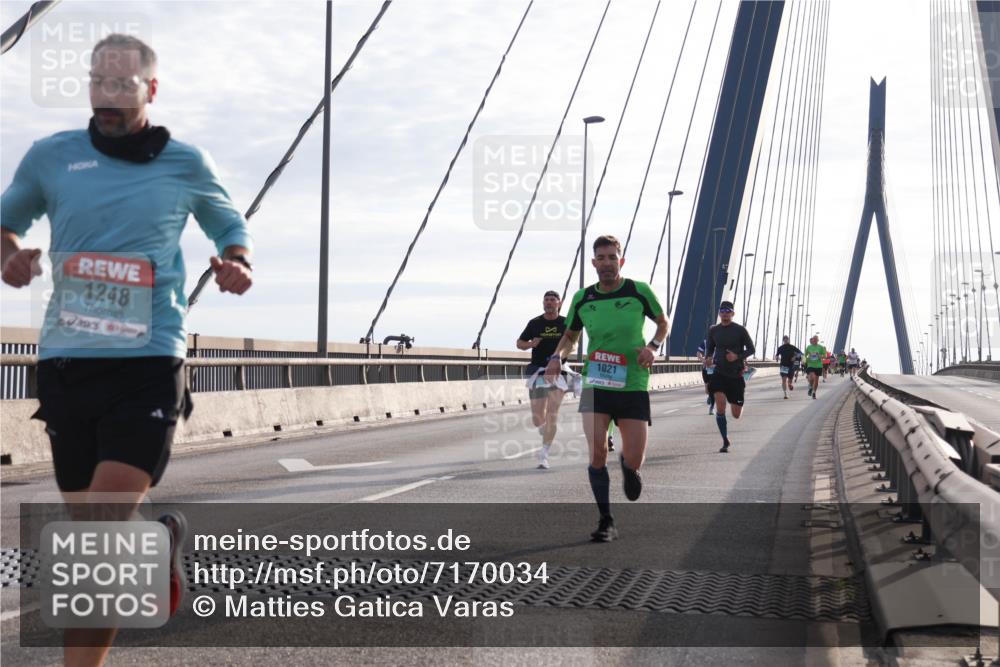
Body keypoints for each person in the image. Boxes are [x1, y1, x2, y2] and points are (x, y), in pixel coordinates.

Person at [0, 34, 253, 666]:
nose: (107, 96)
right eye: (98, 83)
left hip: (148, 363)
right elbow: (6, 222)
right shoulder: (51, 158)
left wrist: (236, 264)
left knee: (101, 536)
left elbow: (228, 225)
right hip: (66, 364)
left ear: (150, 90)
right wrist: (10, 257)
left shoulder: (186, 163)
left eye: (122, 85)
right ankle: (157, 544)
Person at [544, 235, 667, 542]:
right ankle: (606, 520)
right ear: (594, 263)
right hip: (597, 381)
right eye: (602, 257)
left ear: (621, 261)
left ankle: (629, 467)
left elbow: (663, 322)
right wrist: (557, 358)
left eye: (613, 257)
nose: (607, 263)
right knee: (597, 452)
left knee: (635, 456)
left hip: (633, 382)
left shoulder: (639, 291)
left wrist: (653, 346)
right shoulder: (583, 298)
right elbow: (570, 336)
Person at [517, 290, 567, 469]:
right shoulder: (535, 323)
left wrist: (560, 356)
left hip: (558, 372)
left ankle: (544, 455)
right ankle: (544, 430)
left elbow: (573, 342)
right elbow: (519, 343)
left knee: (552, 414)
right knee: (538, 417)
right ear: (543, 303)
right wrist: (531, 344)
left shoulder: (566, 322)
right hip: (538, 371)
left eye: (553, 300)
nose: (549, 302)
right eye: (546, 300)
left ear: (559, 303)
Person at [705, 301, 756, 453]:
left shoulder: (740, 330)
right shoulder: (714, 330)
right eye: (722, 311)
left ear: (733, 313)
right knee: (720, 405)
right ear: (719, 313)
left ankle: (741, 393)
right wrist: (708, 357)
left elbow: (751, 349)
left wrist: (737, 357)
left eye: (728, 311)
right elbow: (710, 347)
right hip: (719, 372)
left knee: (736, 414)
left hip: (735, 374)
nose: (725, 314)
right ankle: (725, 440)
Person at [697, 338, 715, 414]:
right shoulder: (705, 342)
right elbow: (698, 353)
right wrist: (703, 360)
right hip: (706, 369)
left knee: (715, 389)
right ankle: (710, 396)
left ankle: (711, 408)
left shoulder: (721, 342)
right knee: (707, 390)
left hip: (716, 369)